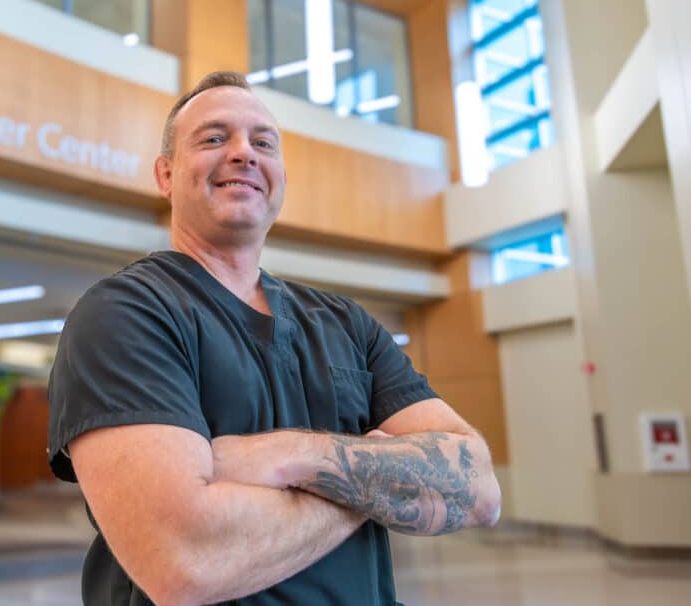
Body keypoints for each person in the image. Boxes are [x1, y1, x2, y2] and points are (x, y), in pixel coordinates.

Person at [47, 71, 501, 605]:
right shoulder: (125, 315)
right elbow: (186, 559)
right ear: (166, 175)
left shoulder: (346, 324)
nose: (244, 153)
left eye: (263, 142)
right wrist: (371, 479)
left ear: (280, 174)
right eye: (215, 138)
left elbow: (479, 491)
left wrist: (293, 456)